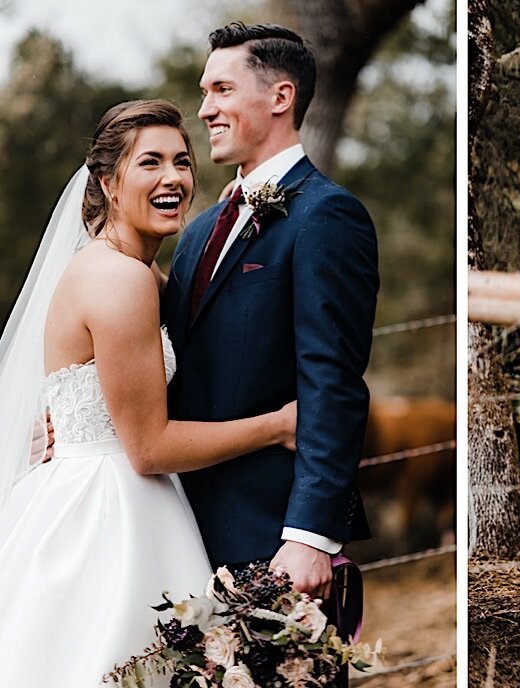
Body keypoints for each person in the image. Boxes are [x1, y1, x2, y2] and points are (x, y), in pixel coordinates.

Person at [0, 100, 298, 686]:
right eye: (151, 163)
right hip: (111, 512)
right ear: (108, 183)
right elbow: (149, 447)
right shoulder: (121, 279)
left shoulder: (136, 271)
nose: (173, 178)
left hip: (89, 489)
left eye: (183, 162)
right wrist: (281, 425)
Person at [163, 21, 379, 682]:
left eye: (222, 88)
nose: (205, 109)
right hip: (179, 532)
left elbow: (332, 381)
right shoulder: (197, 231)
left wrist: (309, 536)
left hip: (273, 536)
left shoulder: (326, 217)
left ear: (281, 96)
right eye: (205, 91)